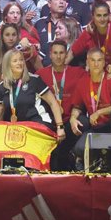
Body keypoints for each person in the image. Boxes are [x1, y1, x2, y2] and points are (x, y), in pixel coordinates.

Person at [0, 50, 66, 146]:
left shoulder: (34, 80)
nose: (19, 63)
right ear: (8, 65)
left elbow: (53, 103)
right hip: (18, 128)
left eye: (21, 60)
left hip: (39, 125)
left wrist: (60, 127)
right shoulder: (3, 86)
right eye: (15, 61)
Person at [69, 48, 111, 170]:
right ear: (87, 62)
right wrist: (72, 118)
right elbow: (76, 107)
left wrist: (99, 112)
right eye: (93, 60)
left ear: (104, 63)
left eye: (99, 60)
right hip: (98, 127)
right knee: (79, 147)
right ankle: (90, 159)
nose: (96, 64)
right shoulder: (82, 82)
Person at [37, 40, 86, 170]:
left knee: (83, 122)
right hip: (50, 123)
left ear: (66, 54)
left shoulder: (78, 72)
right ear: (50, 54)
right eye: (55, 53)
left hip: (70, 121)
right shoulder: (41, 74)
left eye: (61, 53)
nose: (58, 56)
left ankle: (74, 156)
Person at [69, 0, 111, 68]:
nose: (102, 19)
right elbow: (72, 52)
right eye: (98, 15)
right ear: (93, 16)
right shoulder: (89, 31)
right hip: (95, 74)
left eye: (105, 15)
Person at [34, 0, 68, 66]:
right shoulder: (39, 24)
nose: (61, 2)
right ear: (49, 3)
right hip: (44, 71)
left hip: (67, 70)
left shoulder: (73, 24)